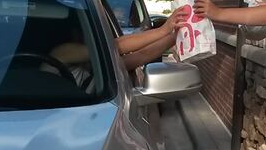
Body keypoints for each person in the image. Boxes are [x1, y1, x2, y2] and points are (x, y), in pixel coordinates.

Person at [46, 7, 186, 89]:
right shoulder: (60, 53)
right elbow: (114, 46)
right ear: (75, 32)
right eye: (89, 31)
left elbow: (142, 55)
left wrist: (174, 37)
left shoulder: (99, 65)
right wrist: (163, 30)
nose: (95, 36)